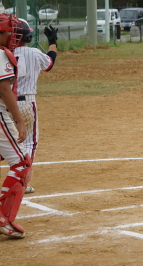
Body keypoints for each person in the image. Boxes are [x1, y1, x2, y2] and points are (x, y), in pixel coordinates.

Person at [13, 19, 58, 194]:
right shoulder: (33, 53)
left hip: (5, 103)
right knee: (30, 142)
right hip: (26, 103)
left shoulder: (4, 53)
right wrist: (53, 42)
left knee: (7, 141)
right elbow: (50, 64)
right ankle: (21, 182)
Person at [0, 13, 33, 239]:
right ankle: (4, 218)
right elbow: (3, 89)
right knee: (22, 163)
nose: (13, 36)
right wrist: (19, 120)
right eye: (8, 32)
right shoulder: (1, 54)